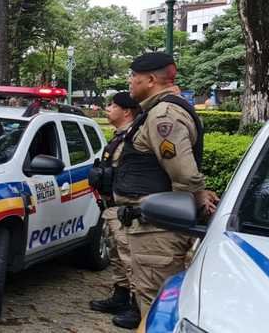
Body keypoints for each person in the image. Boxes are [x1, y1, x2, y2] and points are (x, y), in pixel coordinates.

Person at [112, 52, 219, 329]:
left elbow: (183, 171)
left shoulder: (164, 114)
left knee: (156, 306)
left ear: (149, 80)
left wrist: (196, 197)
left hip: (156, 229)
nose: (130, 84)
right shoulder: (159, 109)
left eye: (133, 79)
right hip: (152, 227)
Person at [87, 92, 141, 323]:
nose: (108, 108)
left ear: (126, 111)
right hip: (112, 206)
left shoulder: (135, 139)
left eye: (113, 105)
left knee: (131, 258)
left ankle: (137, 306)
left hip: (126, 208)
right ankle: (120, 296)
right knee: (118, 254)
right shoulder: (119, 137)